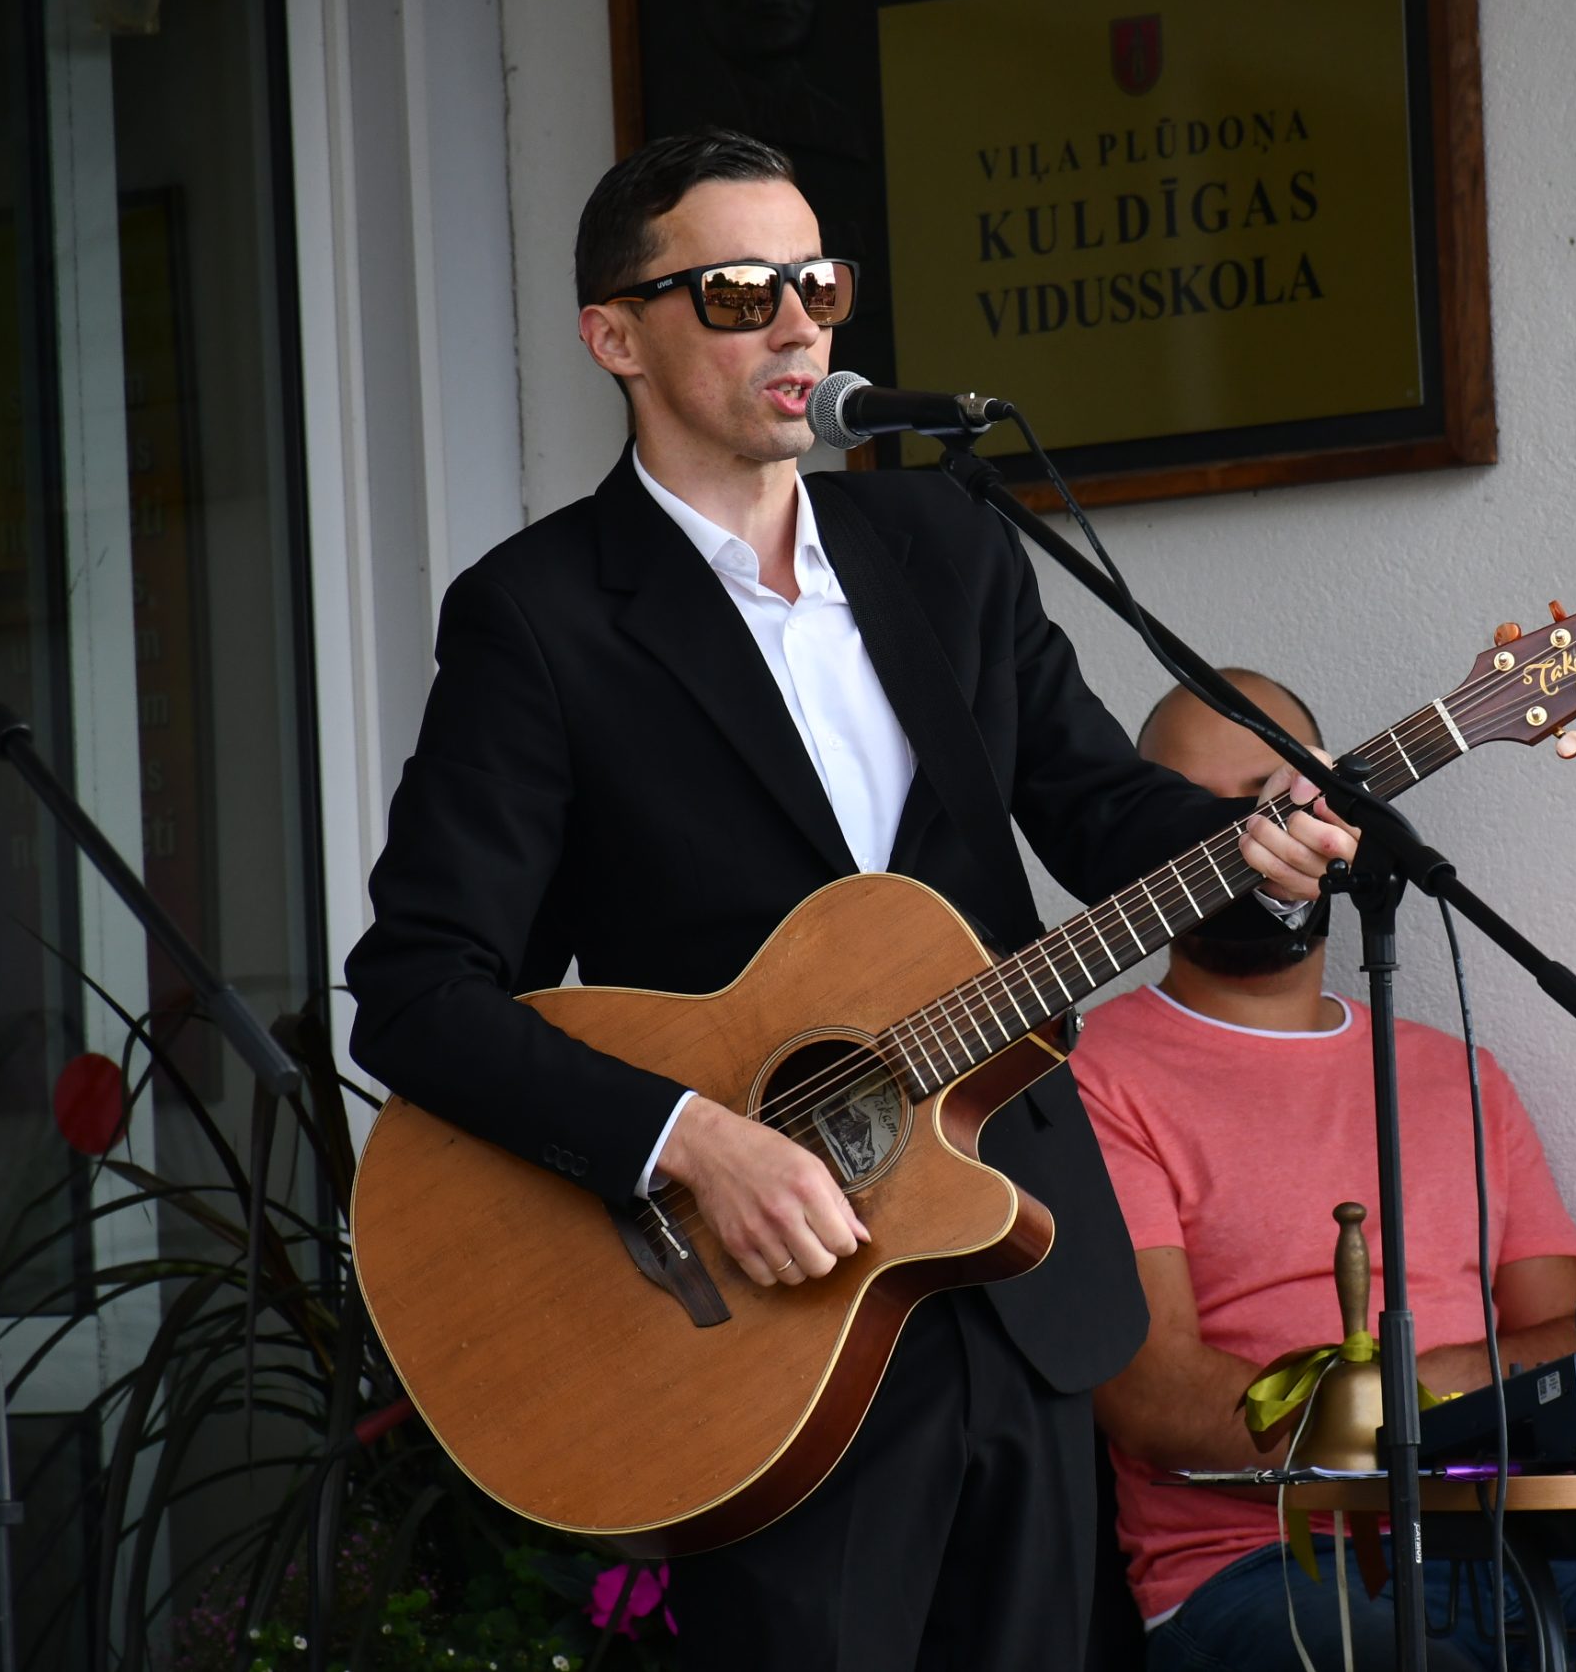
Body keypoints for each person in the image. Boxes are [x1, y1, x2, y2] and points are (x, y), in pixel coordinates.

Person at [343, 130, 1357, 1672]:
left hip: (1009, 1253)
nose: (798, 325)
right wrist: (696, 1143)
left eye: (818, 283)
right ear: (615, 337)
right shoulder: (540, 617)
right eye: (737, 291)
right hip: (753, 1315)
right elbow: (419, 990)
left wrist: (1268, 853)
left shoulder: (945, 548)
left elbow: (1107, 811)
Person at [1077, 672, 1576, 1671]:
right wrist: (1451, 1401)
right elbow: (1156, 1394)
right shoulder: (1087, 1074)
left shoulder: (1458, 1074)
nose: (1243, 842)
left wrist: (1388, 1397)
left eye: (1271, 802)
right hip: (1263, 1573)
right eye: (1194, 813)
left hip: (1511, 1552)